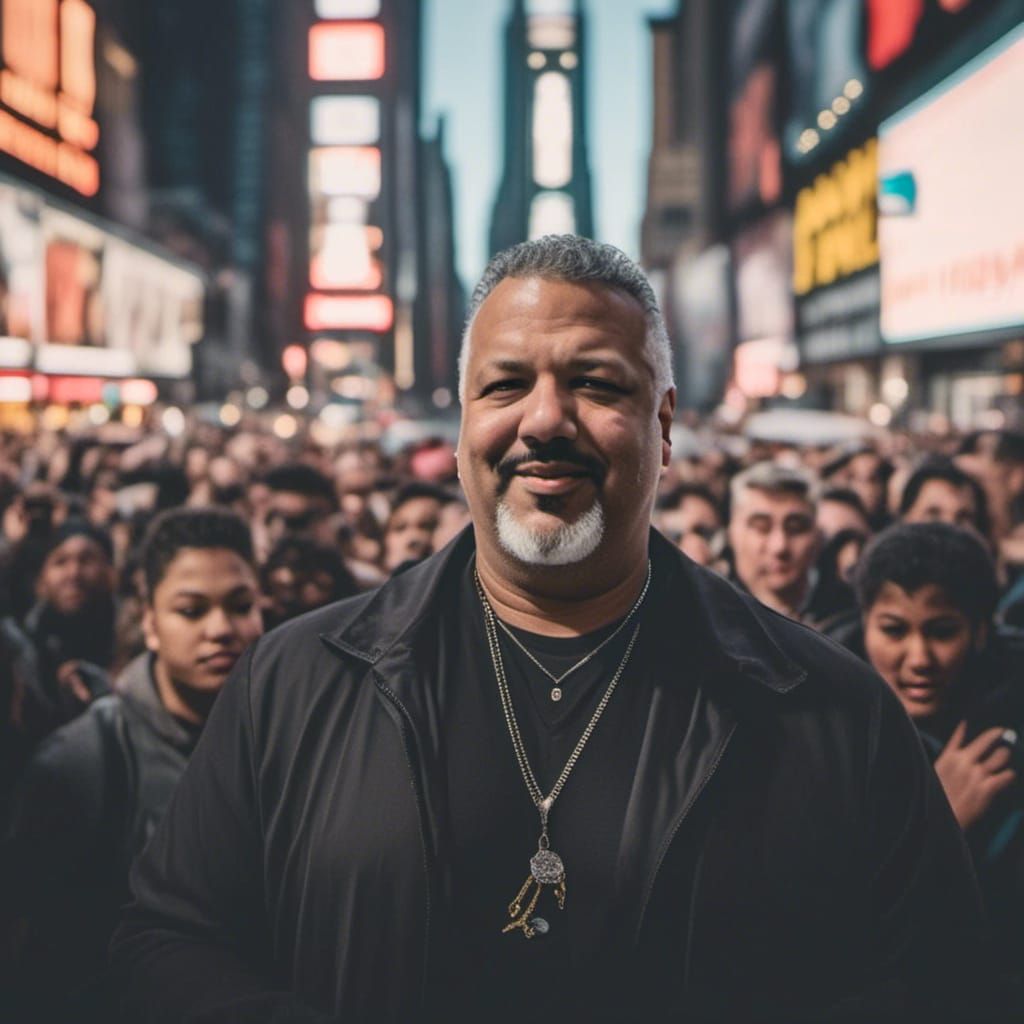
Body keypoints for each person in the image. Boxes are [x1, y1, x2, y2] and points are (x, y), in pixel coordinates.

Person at [111, 236, 996, 1023]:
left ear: (663, 425)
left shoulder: (830, 709)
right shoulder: (296, 679)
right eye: (505, 385)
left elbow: (942, 982)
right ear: (464, 427)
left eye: (595, 384)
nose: (543, 420)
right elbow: (170, 939)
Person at [1, 507, 263, 1023]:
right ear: (149, 622)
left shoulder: (292, 741)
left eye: (240, 606)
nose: (220, 629)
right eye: (191, 610)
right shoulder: (80, 760)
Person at [855, 522, 1024, 992]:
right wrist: (937, 820)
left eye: (942, 631)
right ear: (864, 621)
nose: (919, 658)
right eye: (894, 630)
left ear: (981, 631)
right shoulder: (823, 717)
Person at [726, 461, 821, 621]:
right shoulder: (706, 614)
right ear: (732, 534)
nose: (779, 546)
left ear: (818, 536)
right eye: (762, 528)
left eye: (795, 528)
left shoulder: (850, 619)